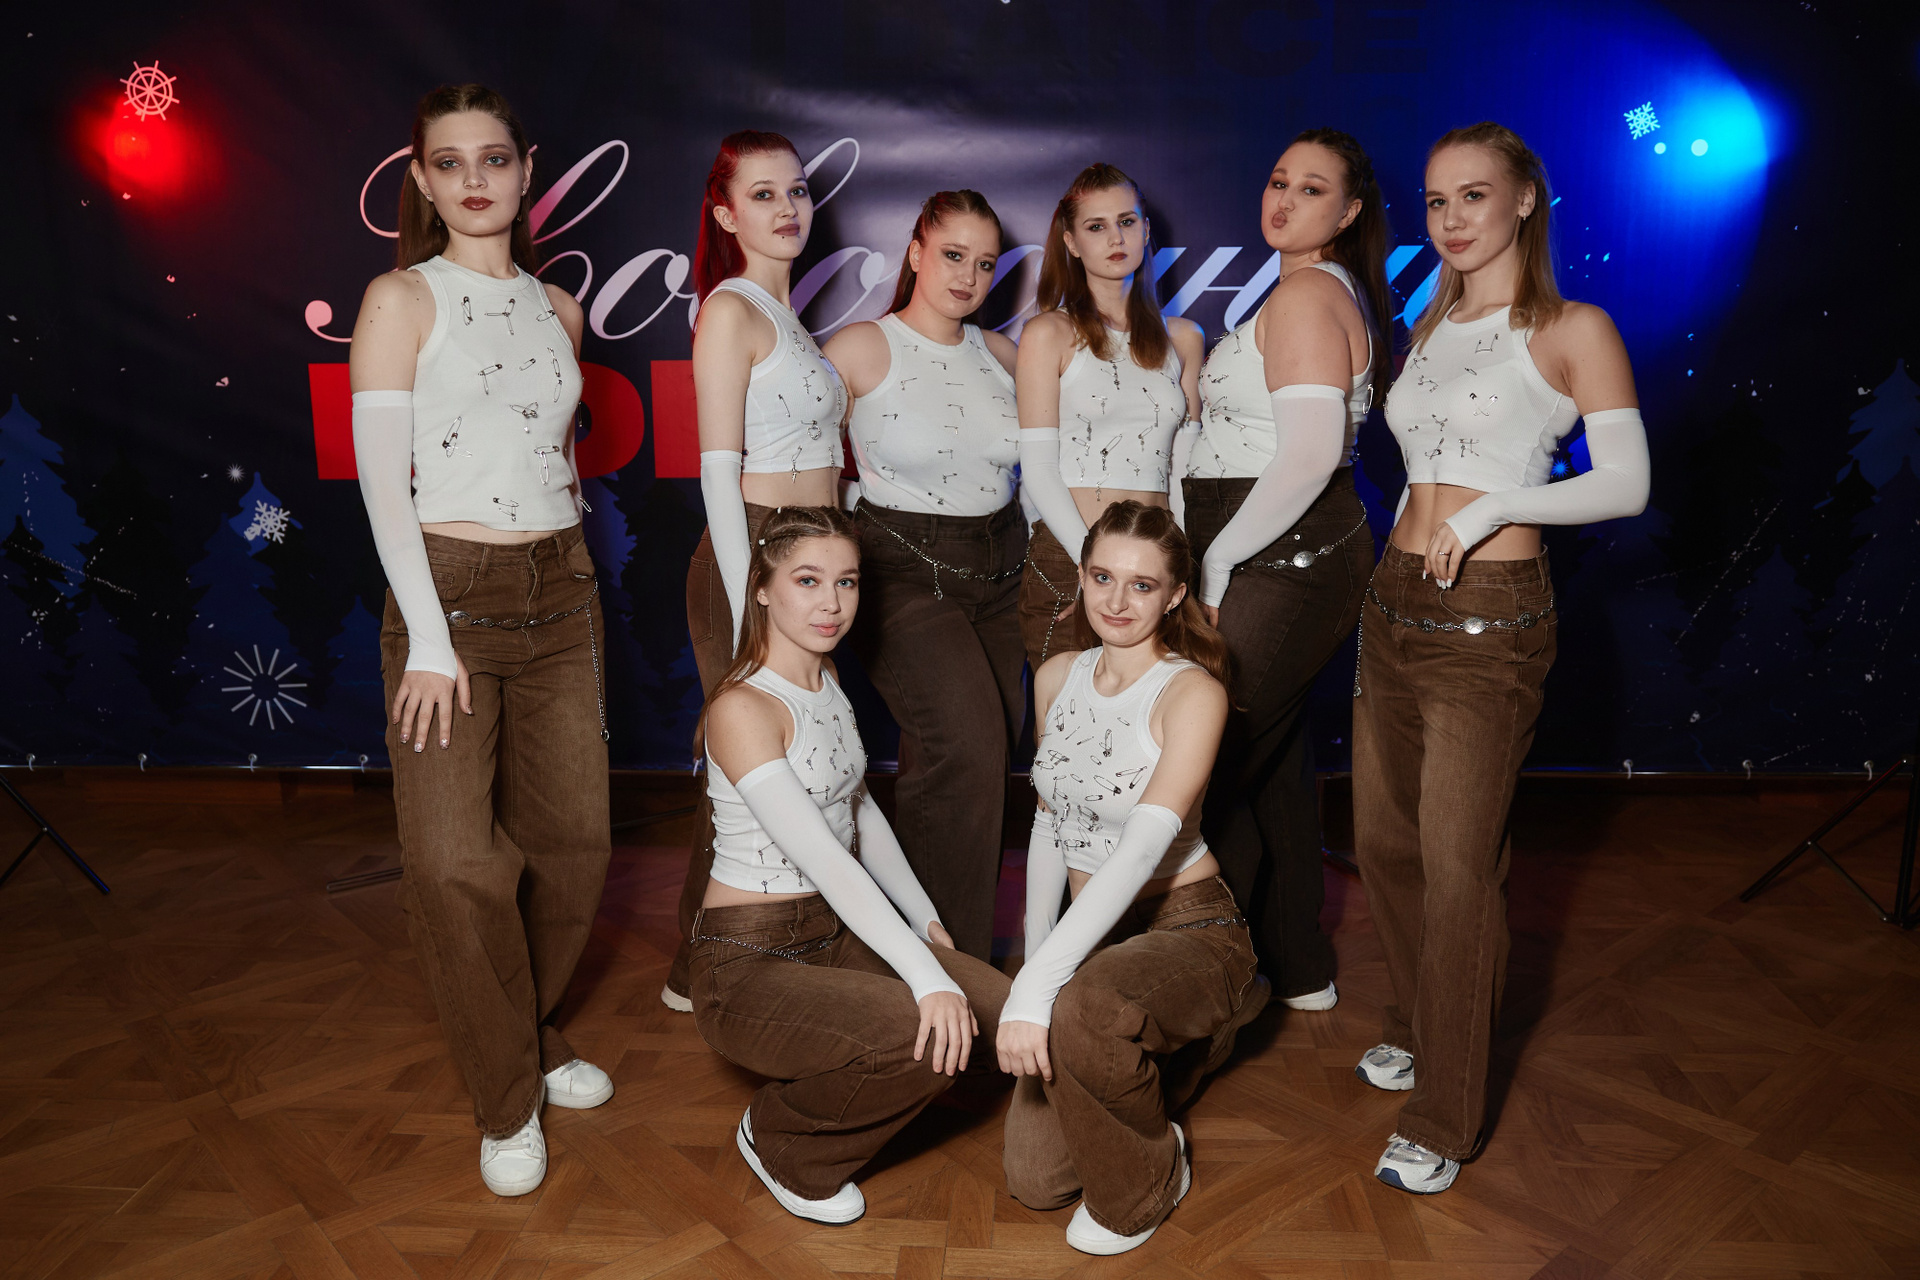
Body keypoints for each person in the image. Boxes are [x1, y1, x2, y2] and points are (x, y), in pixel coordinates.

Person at [1355, 122, 1649, 1194]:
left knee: (1458, 868)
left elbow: (1626, 483)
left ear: (1526, 198)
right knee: (1385, 844)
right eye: (1436, 201)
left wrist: (1492, 511)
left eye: (1473, 195)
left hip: (1489, 621)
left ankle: (1444, 1113)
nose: (1450, 219)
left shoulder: (1574, 327)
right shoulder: (1429, 319)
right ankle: (1415, 1023)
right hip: (1392, 600)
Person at [349, 84, 612, 1198]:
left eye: (493, 159)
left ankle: (533, 1035)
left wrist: (569, 563)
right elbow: (383, 484)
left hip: (562, 587)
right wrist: (425, 636)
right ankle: (507, 1096)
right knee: (457, 864)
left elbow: (549, 456)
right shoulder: (401, 297)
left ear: (525, 169)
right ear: (421, 179)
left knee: (575, 847)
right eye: (449, 163)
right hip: (446, 597)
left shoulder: (560, 309)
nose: (473, 180)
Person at [689, 505, 1010, 1224]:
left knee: (1000, 1013)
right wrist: (927, 977)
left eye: (847, 581)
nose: (832, 603)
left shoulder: (827, 676)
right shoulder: (742, 708)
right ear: (762, 587)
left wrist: (924, 920)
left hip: (834, 933)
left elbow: (857, 808)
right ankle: (782, 1138)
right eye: (808, 580)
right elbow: (826, 860)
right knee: (925, 1040)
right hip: (748, 958)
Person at [999, 501, 1268, 1256]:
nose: (1117, 601)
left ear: (1176, 595)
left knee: (1086, 1011)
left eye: (1142, 586)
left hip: (1186, 926)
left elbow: (1146, 848)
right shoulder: (1056, 675)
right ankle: (1165, 1052)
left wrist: (1041, 988)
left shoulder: (1193, 693)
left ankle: (1150, 1182)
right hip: (1093, 934)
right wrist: (1035, 960)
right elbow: (1050, 821)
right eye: (1102, 578)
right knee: (1035, 1178)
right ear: (1081, 578)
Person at [1175, 129, 1388, 1013]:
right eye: (1277, 181)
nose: (1284, 200)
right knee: (1273, 762)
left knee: (1207, 763)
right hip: (1264, 542)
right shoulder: (1301, 288)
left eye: (1311, 189)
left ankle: (1200, 984)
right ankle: (1297, 964)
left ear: (1347, 213)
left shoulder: (1306, 295)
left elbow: (1306, 457)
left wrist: (1218, 564)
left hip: (1279, 552)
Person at [665, 130, 849, 1012]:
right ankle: (701, 967)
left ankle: (766, 948)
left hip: (809, 555)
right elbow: (717, 472)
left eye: (797, 191)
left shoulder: (791, 319)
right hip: (755, 554)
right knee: (746, 763)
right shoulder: (730, 311)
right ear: (726, 214)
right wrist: (754, 607)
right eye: (764, 194)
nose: (788, 208)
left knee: (793, 755)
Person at [822, 190, 1025, 963]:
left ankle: (914, 954)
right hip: (899, 566)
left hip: (1002, 571)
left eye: (985, 263)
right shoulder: (860, 348)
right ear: (915, 252)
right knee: (966, 742)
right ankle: (956, 973)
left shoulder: (1004, 355)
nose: (968, 276)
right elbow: (800, 463)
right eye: (952, 255)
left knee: (977, 759)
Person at [1016, 163, 1203, 673]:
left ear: (1146, 229)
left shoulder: (1183, 338)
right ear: (1071, 242)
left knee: (1155, 713)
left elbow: (1184, 468)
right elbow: (1038, 468)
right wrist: (1092, 570)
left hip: (1157, 564)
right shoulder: (1048, 334)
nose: (1115, 238)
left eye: (1126, 221)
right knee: (1067, 715)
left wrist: (1182, 563)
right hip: (1070, 555)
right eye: (1096, 226)